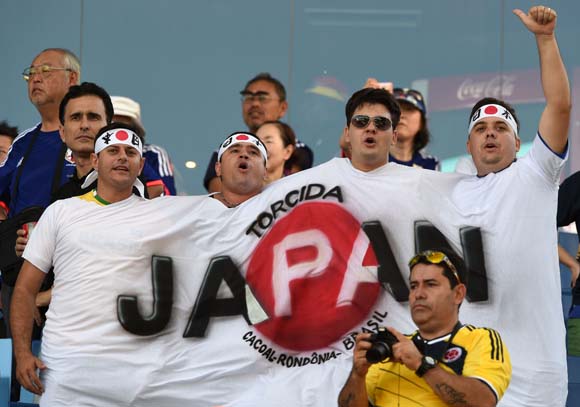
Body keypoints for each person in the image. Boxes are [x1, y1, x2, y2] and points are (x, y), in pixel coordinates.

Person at [453, 6, 570, 406]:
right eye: (480, 129)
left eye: (501, 128)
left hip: (535, 371)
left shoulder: (536, 173)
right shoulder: (445, 190)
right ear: (468, 144)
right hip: (467, 366)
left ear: (518, 143)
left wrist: (545, 39)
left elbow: (560, 106)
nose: (490, 135)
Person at [10, 122, 146, 398]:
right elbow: (24, 289)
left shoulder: (159, 217)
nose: (122, 157)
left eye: (130, 152)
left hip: (134, 371)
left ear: (141, 165)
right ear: (95, 160)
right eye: (113, 150)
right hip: (65, 369)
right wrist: (23, 354)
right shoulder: (60, 212)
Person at [338, 249, 511, 406]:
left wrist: (421, 364)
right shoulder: (392, 348)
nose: (418, 294)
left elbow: (483, 402)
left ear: (458, 294)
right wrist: (357, 374)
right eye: (414, 286)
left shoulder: (480, 339)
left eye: (430, 284)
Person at [204, 73, 313, 192]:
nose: (254, 104)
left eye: (262, 98)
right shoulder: (226, 149)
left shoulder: (299, 150)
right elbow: (221, 194)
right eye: (249, 98)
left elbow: (292, 192)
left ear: (282, 108)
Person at [111, 96, 177, 196]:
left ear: (137, 131)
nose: (119, 132)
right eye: (112, 126)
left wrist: (134, 156)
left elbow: (168, 198)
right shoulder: (95, 154)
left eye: (126, 127)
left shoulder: (154, 153)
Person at [341, 87, 400, 172]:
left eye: (381, 122)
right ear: (347, 133)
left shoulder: (417, 179)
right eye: (361, 121)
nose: (371, 128)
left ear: (394, 137)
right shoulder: (322, 176)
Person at [211, 131, 267, 207]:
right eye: (235, 151)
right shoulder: (195, 208)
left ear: (265, 172)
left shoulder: (281, 202)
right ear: (218, 168)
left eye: (253, 152)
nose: (244, 154)